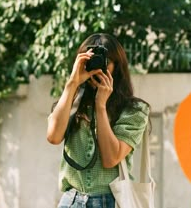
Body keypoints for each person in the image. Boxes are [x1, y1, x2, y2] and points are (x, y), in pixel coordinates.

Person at [47, 33, 150, 208]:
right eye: (90, 60)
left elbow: (111, 159)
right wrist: (72, 84)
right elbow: (53, 137)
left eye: (104, 61)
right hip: (70, 201)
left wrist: (100, 106)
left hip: (110, 201)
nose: (96, 67)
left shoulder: (134, 111)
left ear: (116, 67)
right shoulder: (71, 102)